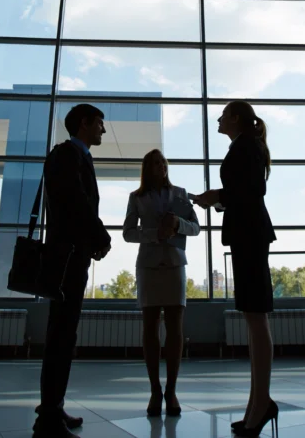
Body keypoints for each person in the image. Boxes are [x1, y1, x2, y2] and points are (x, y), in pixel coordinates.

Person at [191, 101, 277, 437]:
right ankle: (257, 404)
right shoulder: (244, 146)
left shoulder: (247, 146)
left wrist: (218, 195)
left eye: (223, 115)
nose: (218, 118)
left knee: (256, 317)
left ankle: (260, 405)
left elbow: (255, 190)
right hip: (247, 234)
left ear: (236, 118)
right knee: (254, 317)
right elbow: (245, 193)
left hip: (250, 235)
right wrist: (218, 199)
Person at [33, 104, 112, 438]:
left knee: (64, 333)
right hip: (67, 258)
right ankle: (48, 417)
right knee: (61, 334)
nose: (103, 131)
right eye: (99, 124)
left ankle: (53, 406)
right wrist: (100, 234)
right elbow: (76, 201)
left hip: (70, 255)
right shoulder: (67, 155)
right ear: (84, 123)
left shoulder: (73, 156)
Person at [122, 149, 200, 417]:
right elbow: (128, 233)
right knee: (150, 329)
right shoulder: (137, 197)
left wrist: (178, 223)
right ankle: (155, 389)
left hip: (175, 264)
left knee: (175, 330)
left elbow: (196, 227)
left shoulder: (180, 193)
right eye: (155, 164)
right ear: (147, 167)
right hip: (149, 265)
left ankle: (172, 390)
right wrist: (156, 233)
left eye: (163, 163)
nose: (161, 167)